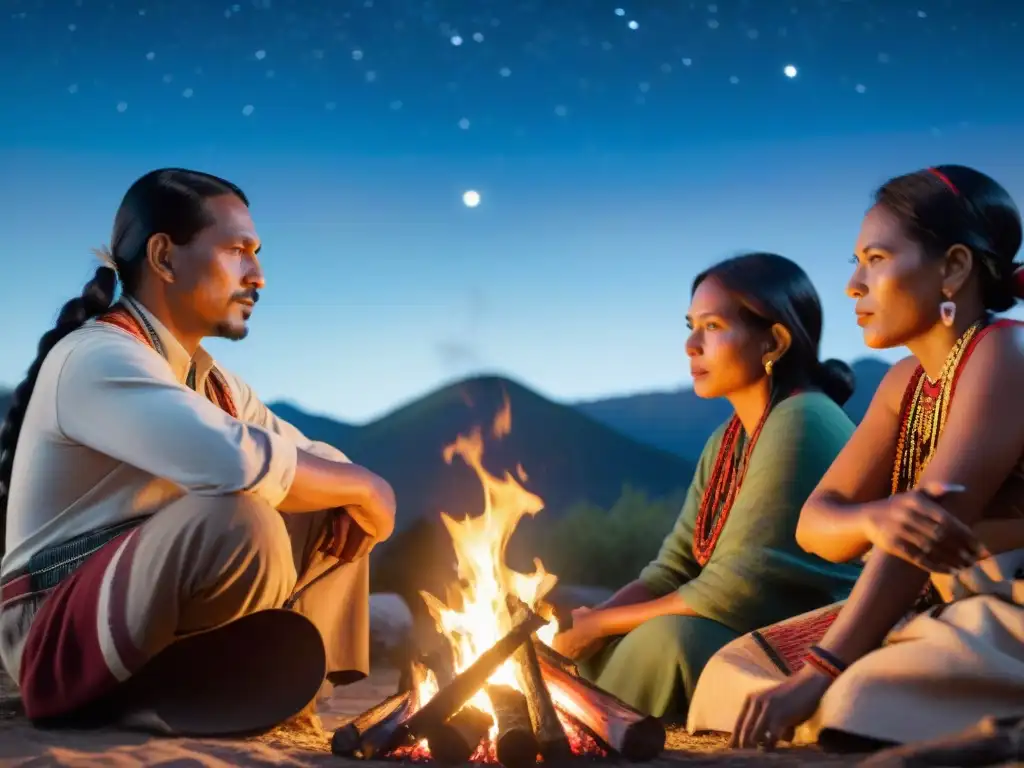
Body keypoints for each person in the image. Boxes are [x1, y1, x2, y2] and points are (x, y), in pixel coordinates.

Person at [0, 169, 397, 736]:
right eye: (238, 250)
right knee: (239, 515)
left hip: (134, 598)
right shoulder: (94, 358)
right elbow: (234, 462)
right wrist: (373, 488)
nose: (258, 276)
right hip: (53, 626)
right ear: (164, 256)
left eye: (257, 253)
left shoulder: (216, 384)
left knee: (326, 488)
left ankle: (286, 688)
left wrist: (351, 487)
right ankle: (164, 695)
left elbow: (312, 458)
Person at [687, 164, 1024, 750]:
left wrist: (821, 669)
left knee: (855, 694)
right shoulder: (904, 382)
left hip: (1006, 604)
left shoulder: (1005, 354)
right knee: (728, 675)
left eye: (876, 259)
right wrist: (874, 517)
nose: (853, 286)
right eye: (856, 263)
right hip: (934, 605)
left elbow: (923, 535)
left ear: (953, 268)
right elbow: (815, 524)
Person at [550, 252, 862, 721]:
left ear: (773, 342)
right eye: (690, 325)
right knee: (597, 647)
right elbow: (673, 568)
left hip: (805, 640)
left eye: (713, 327)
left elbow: (733, 590)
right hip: (735, 626)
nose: (691, 345)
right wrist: (588, 627)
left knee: (667, 641)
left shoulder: (803, 419)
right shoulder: (728, 438)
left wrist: (601, 621)